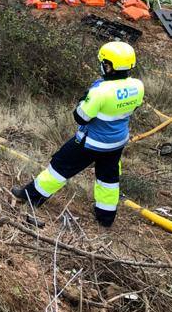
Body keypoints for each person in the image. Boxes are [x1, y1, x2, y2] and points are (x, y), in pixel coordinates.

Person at [11, 42, 144, 228]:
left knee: (59, 166)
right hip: (117, 143)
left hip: (91, 142)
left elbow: (80, 117)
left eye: (102, 62)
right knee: (108, 179)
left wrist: (85, 98)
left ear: (109, 66)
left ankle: (31, 196)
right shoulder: (138, 86)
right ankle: (106, 217)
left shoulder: (100, 92)